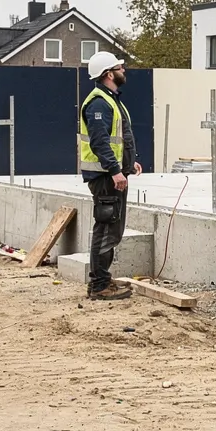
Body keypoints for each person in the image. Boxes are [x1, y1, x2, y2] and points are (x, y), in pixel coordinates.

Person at [78, 50, 140, 301]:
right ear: (108, 74)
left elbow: (117, 138)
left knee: (112, 230)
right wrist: (115, 171)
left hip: (111, 174)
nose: (123, 70)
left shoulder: (110, 99)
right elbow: (100, 141)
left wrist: (128, 163)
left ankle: (102, 279)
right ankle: (99, 285)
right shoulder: (99, 103)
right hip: (104, 177)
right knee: (106, 230)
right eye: (119, 67)